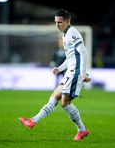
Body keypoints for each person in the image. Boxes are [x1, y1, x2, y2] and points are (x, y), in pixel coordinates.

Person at [19, 9, 91, 140]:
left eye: (60, 22)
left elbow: (83, 52)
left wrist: (82, 74)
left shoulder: (72, 33)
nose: (57, 25)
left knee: (64, 104)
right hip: (70, 71)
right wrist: (60, 67)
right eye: (56, 22)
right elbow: (70, 58)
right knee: (54, 97)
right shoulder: (65, 35)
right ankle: (32, 120)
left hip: (75, 72)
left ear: (67, 22)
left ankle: (82, 130)